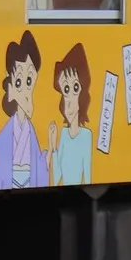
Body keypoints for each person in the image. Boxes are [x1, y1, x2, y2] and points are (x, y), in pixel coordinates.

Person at [0, 31, 49, 190]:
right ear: (10, 86)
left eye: (29, 81)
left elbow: (38, 166)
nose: (26, 90)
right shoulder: (2, 138)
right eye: (19, 81)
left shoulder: (30, 131)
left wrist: (49, 153)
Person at [47, 43, 95, 185]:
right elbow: (56, 178)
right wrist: (52, 143)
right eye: (65, 90)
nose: (69, 101)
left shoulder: (87, 136)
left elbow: (87, 175)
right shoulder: (63, 135)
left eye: (75, 88)